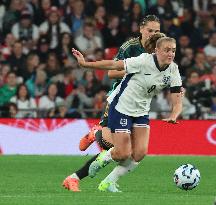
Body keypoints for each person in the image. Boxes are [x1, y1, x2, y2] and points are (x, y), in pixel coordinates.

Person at [72, 36, 182, 192]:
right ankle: (104, 157)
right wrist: (85, 64)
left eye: (173, 50)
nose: (170, 54)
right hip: (122, 107)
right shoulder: (143, 61)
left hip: (142, 111)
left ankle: (108, 182)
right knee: (122, 153)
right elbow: (113, 65)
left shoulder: (173, 69)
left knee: (140, 153)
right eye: (167, 50)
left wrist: (174, 114)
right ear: (157, 51)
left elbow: (177, 100)